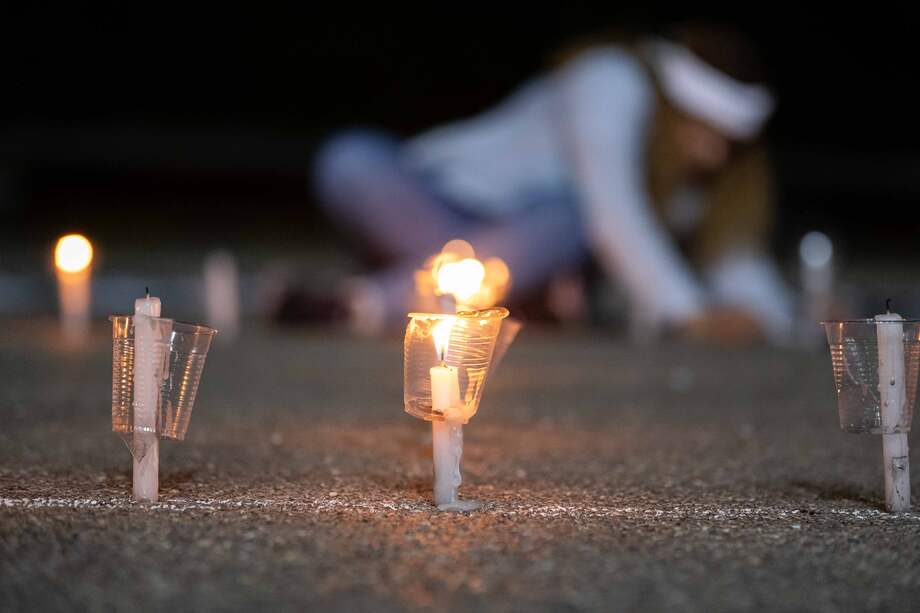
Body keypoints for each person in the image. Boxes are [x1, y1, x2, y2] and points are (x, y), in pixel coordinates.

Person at [310, 23, 793, 343]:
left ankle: (358, 304)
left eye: (727, 142)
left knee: (566, 223)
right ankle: (508, 297)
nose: (712, 153)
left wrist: (770, 316)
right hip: (442, 203)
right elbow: (613, 212)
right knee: (349, 158)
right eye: (699, 128)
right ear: (674, 104)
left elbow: (733, 250)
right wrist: (689, 314)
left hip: (535, 248)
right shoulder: (611, 77)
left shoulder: (705, 176)